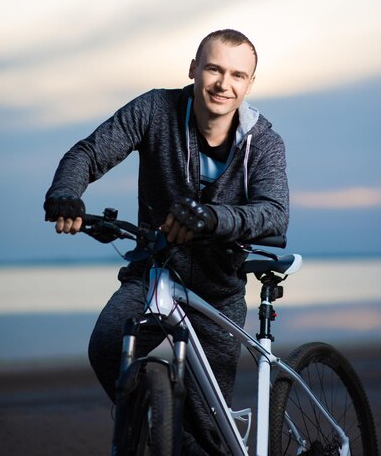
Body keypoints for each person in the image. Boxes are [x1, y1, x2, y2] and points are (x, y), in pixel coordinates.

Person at [44, 28, 289, 455]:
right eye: (213, 68)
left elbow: (273, 211)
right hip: (154, 274)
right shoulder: (155, 110)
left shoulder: (263, 141)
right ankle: (158, 429)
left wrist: (211, 217)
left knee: (208, 424)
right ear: (194, 69)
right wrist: (66, 193)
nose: (222, 83)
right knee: (107, 347)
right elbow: (87, 153)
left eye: (237, 75)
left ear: (249, 84)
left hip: (219, 288)